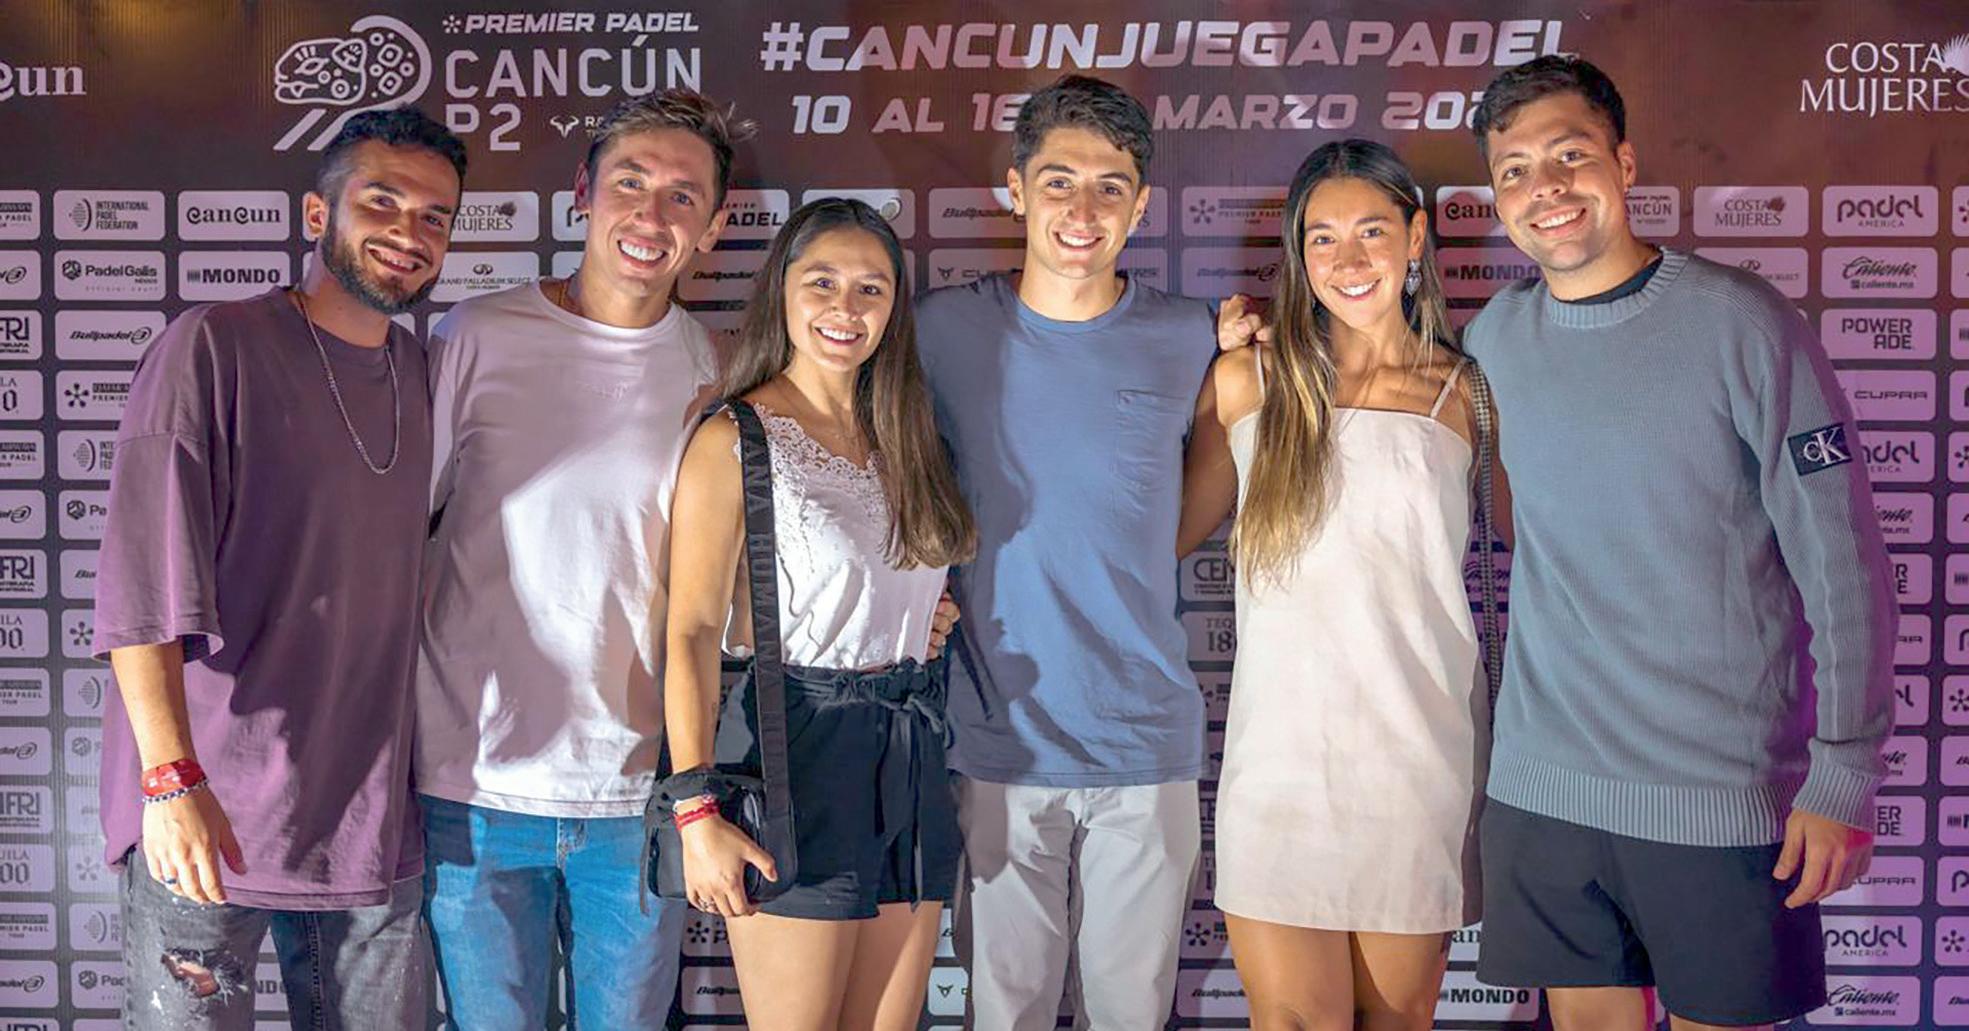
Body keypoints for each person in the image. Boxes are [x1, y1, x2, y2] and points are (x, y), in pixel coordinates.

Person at [1461, 55, 1893, 1031]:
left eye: (1569, 156)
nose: (1544, 188)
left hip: (1715, 795)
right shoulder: (1493, 338)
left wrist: (1844, 771)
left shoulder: (1740, 321)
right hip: (1541, 790)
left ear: (1623, 163)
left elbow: (1844, 563)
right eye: (1515, 170)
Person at [92, 106, 465, 1027]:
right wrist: (170, 779)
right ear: (317, 214)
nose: (409, 233)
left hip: (371, 824)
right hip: (212, 810)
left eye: (434, 216)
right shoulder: (214, 346)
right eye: (382, 203)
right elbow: (142, 589)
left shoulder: (424, 372)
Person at [416, 89, 744, 1028]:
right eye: (629, 184)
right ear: (582, 195)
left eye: (682, 197)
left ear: (714, 227)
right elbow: (388, 533)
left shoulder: (715, 371)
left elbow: (730, 592)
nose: (650, 214)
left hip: (635, 794)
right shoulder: (476, 336)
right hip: (471, 787)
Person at [914, 74, 1216, 1029]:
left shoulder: (1191, 337)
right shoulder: (937, 331)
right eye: (1058, 182)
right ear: (1014, 189)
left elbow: (1197, 500)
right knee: (1005, 1012)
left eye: (1108, 186)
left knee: (1133, 1015)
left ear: (1141, 204)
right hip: (998, 738)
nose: (1082, 210)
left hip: (1146, 739)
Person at [1183, 138, 1502, 1031]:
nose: (1347, 258)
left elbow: (1556, 548)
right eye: (1321, 237)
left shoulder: (1468, 392)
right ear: (1298, 254)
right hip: (1279, 765)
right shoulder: (1246, 378)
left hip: (1416, 759)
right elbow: (1156, 533)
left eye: (1370, 231)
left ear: (1415, 238)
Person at [662, 197, 976, 1030]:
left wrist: (920, 618)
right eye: (823, 281)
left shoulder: (906, 434)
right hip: (794, 748)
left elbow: (899, 583)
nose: (846, 307)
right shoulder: (735, 436)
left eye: (871, 288)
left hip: (908, 746)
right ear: (782, 290)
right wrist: (695, 810)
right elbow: (691, 630)